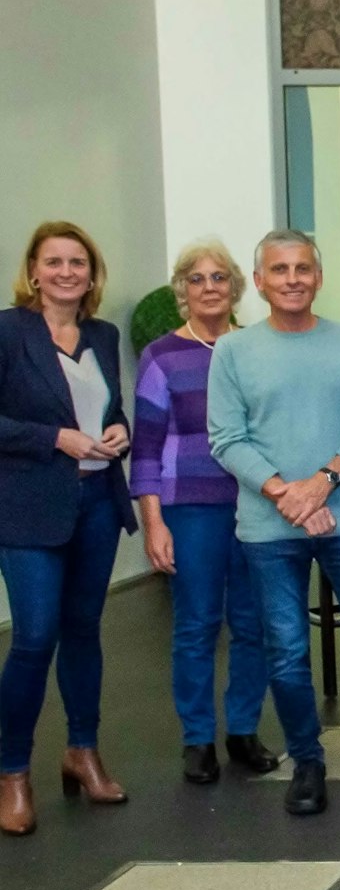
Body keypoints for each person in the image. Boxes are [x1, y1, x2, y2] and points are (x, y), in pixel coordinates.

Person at [208, 230, 340, 817]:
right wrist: (284, 493)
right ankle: (308, 761)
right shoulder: (233, 351)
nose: (292, 279)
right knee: (288, 652)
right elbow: (226, 438)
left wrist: (323, 481)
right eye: (280, 269)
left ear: (318, 277)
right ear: (261, 279)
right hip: (270, 529)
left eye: (303, 269)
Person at [0, 222, 137, 837]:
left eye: (77, 261)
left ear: (91, 271)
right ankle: (12, 771)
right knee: (34, 635)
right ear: (32, 271)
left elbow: (105, 408)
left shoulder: (103, 335)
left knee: (83, 628)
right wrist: (53, 437)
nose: (65, 271)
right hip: (29, 507)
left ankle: (82, 751)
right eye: (53, 261)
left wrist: (120, 432)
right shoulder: (7, 331)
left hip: (97, 502)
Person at [132, 239, 275, 784]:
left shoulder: (258, 348)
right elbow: (145, 445)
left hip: (259, 502)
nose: (209, 287)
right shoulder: (161, 356)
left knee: (253, 622)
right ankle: (197, 738)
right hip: (189, 507)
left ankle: (242, 730)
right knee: (196, 624)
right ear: (182, 291)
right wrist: (153, 523)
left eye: (219, 278)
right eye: (197, 279)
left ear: (236, 288)